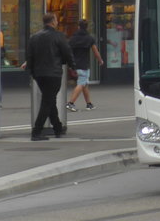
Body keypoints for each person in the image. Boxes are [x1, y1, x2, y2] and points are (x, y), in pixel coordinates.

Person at [23, 12, 72, 141]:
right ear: (52, 22)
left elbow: (30, 56)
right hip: (53, 73)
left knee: (50, 100)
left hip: (39, 74)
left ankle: (57, 127)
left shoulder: (34, 37)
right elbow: (67, 52)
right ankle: (37, 131)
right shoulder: (58, 36)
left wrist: (32, 71)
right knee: (47, 101)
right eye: (56, 20)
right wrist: (72, 66)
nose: (57, 22)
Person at [66, 20, 103, 112]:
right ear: (87, 27)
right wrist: (100, 60)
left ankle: (89, 104)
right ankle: (70, 103)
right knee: (81, 84)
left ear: (78, 26)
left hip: (74, 64)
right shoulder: (89, 38)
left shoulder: (73, 38)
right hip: (84, 65)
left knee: (85, 84)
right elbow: (95, 51)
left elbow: (67, 50)